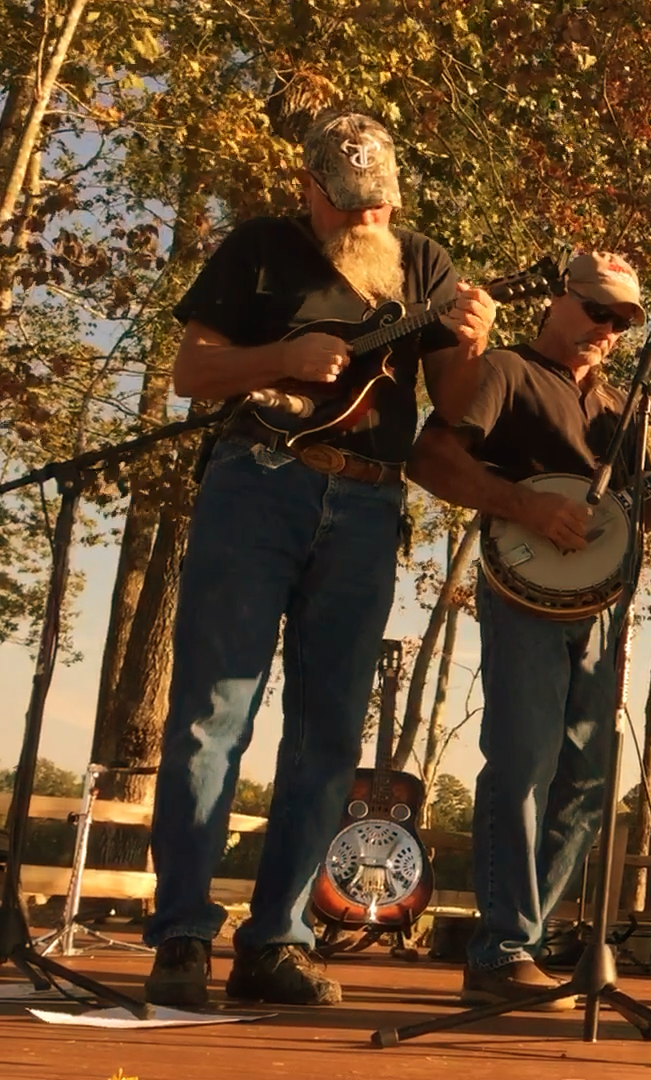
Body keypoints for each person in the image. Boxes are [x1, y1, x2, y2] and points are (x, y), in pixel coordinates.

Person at [143, 111, 497, 1007]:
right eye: (349, 208)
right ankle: (183, 933)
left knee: (330, 730)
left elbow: (454, 403)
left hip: (370, 499)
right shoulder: (260, 247)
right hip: (257, 481)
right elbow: (191, 369)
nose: (366, 223)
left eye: (379, 208)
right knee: (212, 713)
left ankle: (278, 940)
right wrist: (284, 354)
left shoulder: (421, 260)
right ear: (310, 189)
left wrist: (472, 341)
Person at [407, 252, 651, 1006]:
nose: (607, 331)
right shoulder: (507, 371)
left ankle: (522, 944)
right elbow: (431, 460)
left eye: (622, 322)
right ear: (558, 300)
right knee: (522, 763)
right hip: (521, 594)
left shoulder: (619, 408)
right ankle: (500, 948)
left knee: (587, 779)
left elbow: (643, 512)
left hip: (599, 608)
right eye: (597, 311)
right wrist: (522, 504)